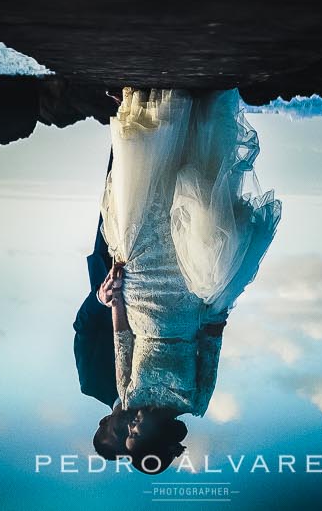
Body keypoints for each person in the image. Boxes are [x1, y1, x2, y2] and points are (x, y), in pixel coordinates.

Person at [90, 87, 280, 473]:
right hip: (189, 290)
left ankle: (151, 99)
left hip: (141, 288)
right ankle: (202, 104)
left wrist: (114, 296)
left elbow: (122, 338)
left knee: (147, 198)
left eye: (129, 433)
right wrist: (218, 301)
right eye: (140, 435)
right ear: (159, 438)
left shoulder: (127, 397)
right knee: (193, 203)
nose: (135, 426)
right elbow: (212, 342)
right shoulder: (195, 399)